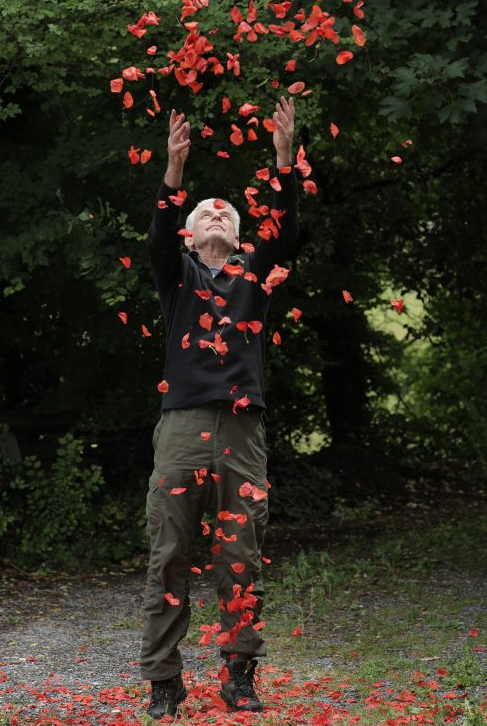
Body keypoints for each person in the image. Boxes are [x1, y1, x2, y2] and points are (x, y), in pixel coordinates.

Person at [141, 96, 298, 720]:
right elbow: (155, 236)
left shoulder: (255, 279)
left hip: (242, 430)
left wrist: (285, 161)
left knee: (241, 555)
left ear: (236, 235)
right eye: (204, 210)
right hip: (180, 427)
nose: (214, 212)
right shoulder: (176, 276)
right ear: (190, 230)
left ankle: (238, 676)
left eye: (225, 211)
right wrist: (174, 172)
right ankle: (164, 681)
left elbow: (284, 233)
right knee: (169, 551)